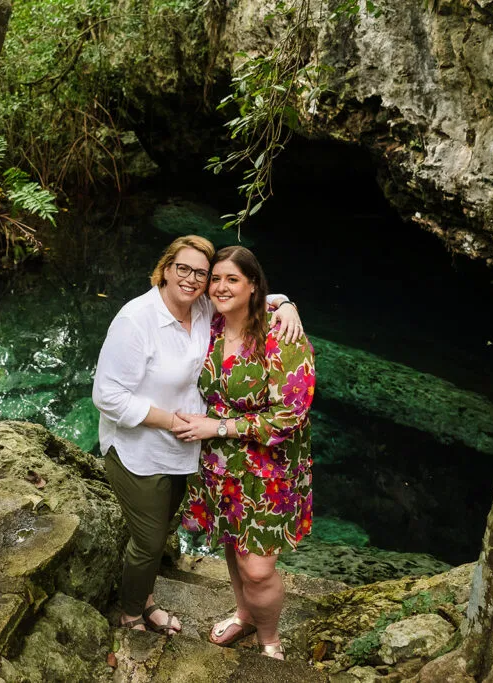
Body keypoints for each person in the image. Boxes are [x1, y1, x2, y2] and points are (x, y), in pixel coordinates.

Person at [92, 235, 302, 635]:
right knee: (150, 542)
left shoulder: (204, 307)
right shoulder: (136, 319)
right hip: (140, 448)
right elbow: (106, 396)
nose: (191, 279)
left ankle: (148, 600)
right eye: (183, 269)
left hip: (188, 449)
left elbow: (252, 293)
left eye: (200, 274)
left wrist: (287, 303)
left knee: (163, 528)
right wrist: (172, 421)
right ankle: (132, 613)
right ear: (166, 268)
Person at [175, 245, 315, 660]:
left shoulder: (280, 332)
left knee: (258, 567)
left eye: (231, 279)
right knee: (234, 545)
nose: (219, 287)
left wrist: (217, 426)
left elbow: (290, 415)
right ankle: (244, 613)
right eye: (215, 278)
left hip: (269, 471)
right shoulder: (211, 324)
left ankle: (269, 638)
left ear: (253, 285)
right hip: (221, 466)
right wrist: (284, 298)